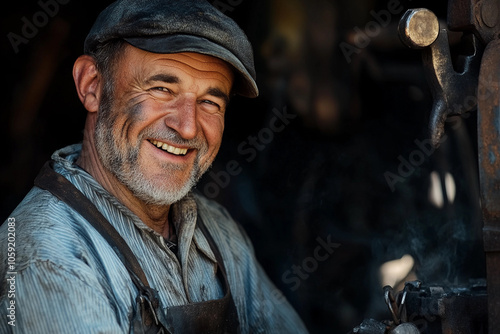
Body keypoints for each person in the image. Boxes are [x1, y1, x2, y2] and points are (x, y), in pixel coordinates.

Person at [0, 0, 308, 333]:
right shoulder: (46, 257)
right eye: (161, 89)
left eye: (209, 102)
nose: (188, 127)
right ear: (92, 85)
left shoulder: (216, 229)